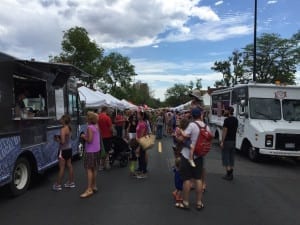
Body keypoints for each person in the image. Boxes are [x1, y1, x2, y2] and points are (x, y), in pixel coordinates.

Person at [176, 107, 207, 210]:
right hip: (199, 155)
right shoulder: (206, 126)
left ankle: (185, 202)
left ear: (192, 116)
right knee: (198, 179)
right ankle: (199, 202)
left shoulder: (192, 125)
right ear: (200, 115)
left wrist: (179, 133)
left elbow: (182, 138)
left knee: (186, 179)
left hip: (187, 155)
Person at [80, 111, 101, 198]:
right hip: (97, 149)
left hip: (90, 151)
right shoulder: (96, 126)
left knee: (89, 169)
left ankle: (89, 189)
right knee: (94, 169)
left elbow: (90, 140)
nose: (85, 117)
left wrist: (83, 136)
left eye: (86, 116)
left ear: (89, 118)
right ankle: (94, 185)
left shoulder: (89, 127)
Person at [52, 114, 75, 191]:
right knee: (69, 165)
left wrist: (57, 139)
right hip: (69, 149)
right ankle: (71, 183)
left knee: (61, 168)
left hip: (63, 150)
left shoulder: (62, 129)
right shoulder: (69, 128)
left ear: (64, 120)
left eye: (61, 119)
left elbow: (62, 141)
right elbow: (68, 138)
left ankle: (58, 185)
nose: (60, 120)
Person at [220, 106, 238, 181]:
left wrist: (222, 141)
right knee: (231, 158)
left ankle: (229, 174)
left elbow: (224, 131)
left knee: (226, 157)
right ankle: (231, 174)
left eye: (225, 110)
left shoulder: (226, 120)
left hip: (227, 141)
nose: (224, 111)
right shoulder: (236, 120)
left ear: (228, 111)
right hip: (233, 141)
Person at [135, 110, 148, 179]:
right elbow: (138, 133)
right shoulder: (139, 122)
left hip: (142, 142)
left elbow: (142, 136)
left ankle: (144, 172)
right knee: (139, 157)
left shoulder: (143, 124)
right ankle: (140, 169)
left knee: (142, 157)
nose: (137, 115)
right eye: (137, 114)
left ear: (142, 116)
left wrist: (139, 147)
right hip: (139, 141)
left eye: (138, 114)